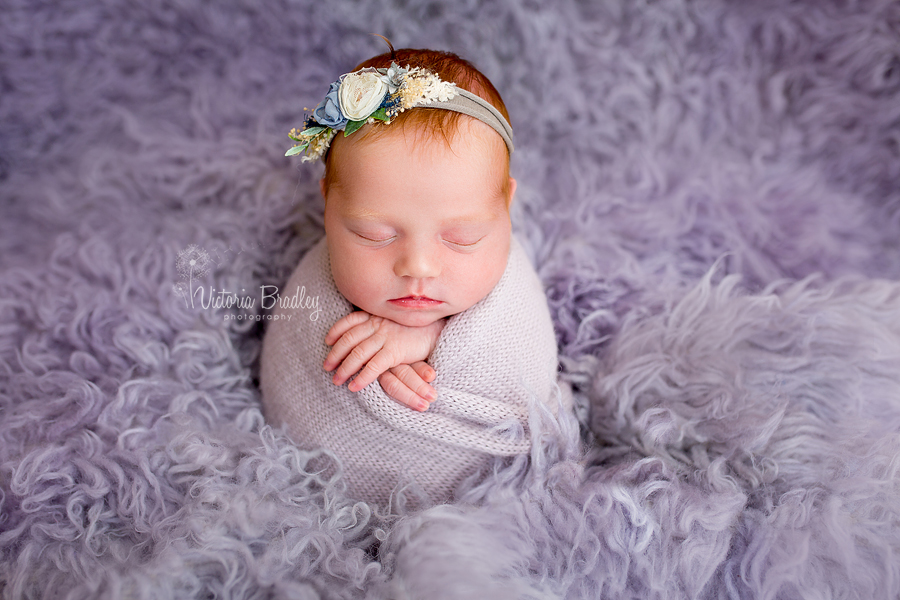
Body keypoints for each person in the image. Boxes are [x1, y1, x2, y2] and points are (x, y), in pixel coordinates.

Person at [260, 47, 567, 507]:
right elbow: (295, 375)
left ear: (505, 206)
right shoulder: (314, 295)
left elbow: (522, 373)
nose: (418, 267)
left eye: (462, 238)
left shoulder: (511, 297)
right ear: (328, 205)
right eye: (374, 234)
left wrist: (429, 338)